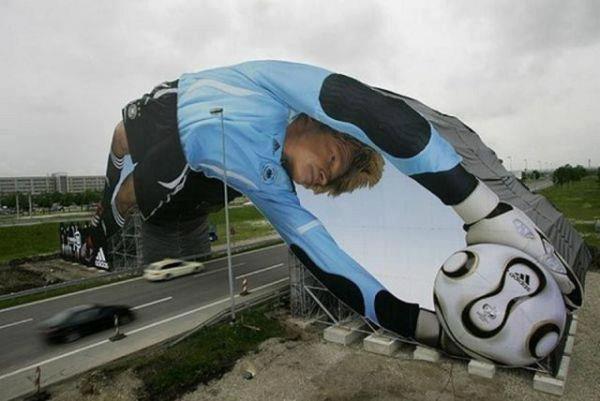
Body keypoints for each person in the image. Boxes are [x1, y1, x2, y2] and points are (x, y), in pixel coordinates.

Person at [86, 60, 582, 349]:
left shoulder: (274, 189)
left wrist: (424, 326)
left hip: (190, 160)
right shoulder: (276, 88)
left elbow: (332, 263)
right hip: (183, 99)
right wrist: (481, 209)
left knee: (132, 197)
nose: (327, 175)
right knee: (121, 135)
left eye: (333, 180)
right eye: (336, 157)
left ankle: (108, 222)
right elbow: (366, 108)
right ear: (317, 123)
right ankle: (104, 206)